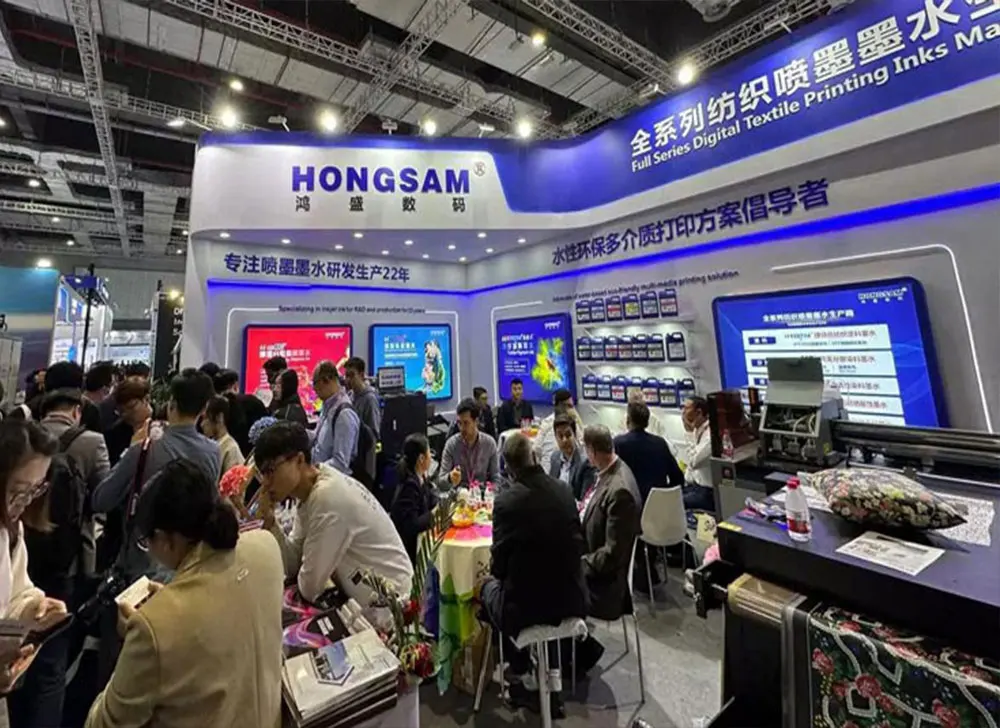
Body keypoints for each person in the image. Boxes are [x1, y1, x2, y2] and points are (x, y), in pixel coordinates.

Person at [85, 460, 284, 728]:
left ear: (166, 539)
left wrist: (140, 634)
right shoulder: (266, 547)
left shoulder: (152, 628)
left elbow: (105, 723)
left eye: (146, 541)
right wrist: (170, 603)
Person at [480, 433, 587, 711]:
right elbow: (578, 544)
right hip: (571, 599)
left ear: (508, 467)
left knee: (485, 588)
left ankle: (519, 668)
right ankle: (546, 673)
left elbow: (499, 568)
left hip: (525, 610)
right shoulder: (564, 490)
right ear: (534, 457)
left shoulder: (506, 502)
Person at [254, 422, 412, 604]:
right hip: (365, 597)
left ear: (299, 460)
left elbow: (309, 586)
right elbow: (292, 564)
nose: (265, 483)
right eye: (262, 474)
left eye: (271, 470)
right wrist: (270, 522)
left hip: (393, 605)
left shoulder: (327, 497)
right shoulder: (309, 492)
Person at [93, 369, 221, 583]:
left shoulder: (143, 448)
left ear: (171, 403)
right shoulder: (213, 452)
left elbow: (101, 500)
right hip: (190, 566)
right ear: (204, 409)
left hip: (143, 568)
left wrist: (130, 451)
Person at [0, 420, 69, 725]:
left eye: (35, 490)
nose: (25, 502)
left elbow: (16, 591)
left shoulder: (12, 530)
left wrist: (35, 608)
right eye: (18, 490)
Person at [580, 425, 641, 621]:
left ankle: (570, 637)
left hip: (604, 588)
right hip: (593, 557)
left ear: (592, 451)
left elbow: (611, 555)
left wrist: (578, 565)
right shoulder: (613, 469)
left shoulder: (620, 491)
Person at [614, 400, 684, 505]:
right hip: (658, 505)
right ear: (647, 422)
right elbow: (678, 478)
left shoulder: (618, 444)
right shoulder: (660, 443)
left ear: (628, 420)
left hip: (630, 506)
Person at [388, 434, 438, 565]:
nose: (431, 457)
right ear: (421, 458)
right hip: (408, 552)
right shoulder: (409, 486)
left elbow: (432, 499)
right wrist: (435, 514)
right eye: (429, 453)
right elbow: (412, 525)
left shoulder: (421, 477)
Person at [311, 361, 360, 477]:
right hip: (319, 473)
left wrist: (313, 471)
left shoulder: (344, 414)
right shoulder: (328, 406)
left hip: (330, 480)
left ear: (327, 380)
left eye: (315, 383)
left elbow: (340, 463)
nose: (314, 389)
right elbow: (317, 437)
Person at [439, 398, 499, 488]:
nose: (461, 428)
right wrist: (449, 478)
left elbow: (496, 478)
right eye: (459, 423)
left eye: (466, 423)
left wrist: (490, 491)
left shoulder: (489, 444)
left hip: (482, 493)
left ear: (476, 421)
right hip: (459, 494)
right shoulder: (451, 445)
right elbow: (441, 481)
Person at [343, 357, 381, 484]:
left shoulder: (370, 400)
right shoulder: (349, 396)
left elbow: (374, 433)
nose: (348, 380)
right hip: (352, 461)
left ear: (361, 375)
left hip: (365, 462)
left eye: (352, 375)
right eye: (346, 376)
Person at [547, 414, 596, 500]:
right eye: (560, 436)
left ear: (575, 435)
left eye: (568, 435)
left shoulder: (586, 462)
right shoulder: (554, 457)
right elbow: (551, 489)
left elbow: (584, 500)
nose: (564, 440)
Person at [533, 388, 584, 467]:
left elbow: (536, 450)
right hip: (558, 469)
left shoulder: (546, 423)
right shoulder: (570, 425)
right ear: (561, 406)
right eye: (570, 406)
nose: (573, 409)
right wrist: (577, 419)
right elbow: (582, 447)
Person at [681, 396, 715, 515]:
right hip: (695, 486)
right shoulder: (698, 430)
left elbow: (694, 462)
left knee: (676, 503)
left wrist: (689, 433)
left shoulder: (710, 435)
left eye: (686, 408)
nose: (683, 412)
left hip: (708, 493)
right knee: (669, 496)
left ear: (699, 412)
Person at [202, 396, 245, 475]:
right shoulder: (213, 444)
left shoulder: (231, 449)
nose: (202, 424)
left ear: (219, 417)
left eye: (206, 418)